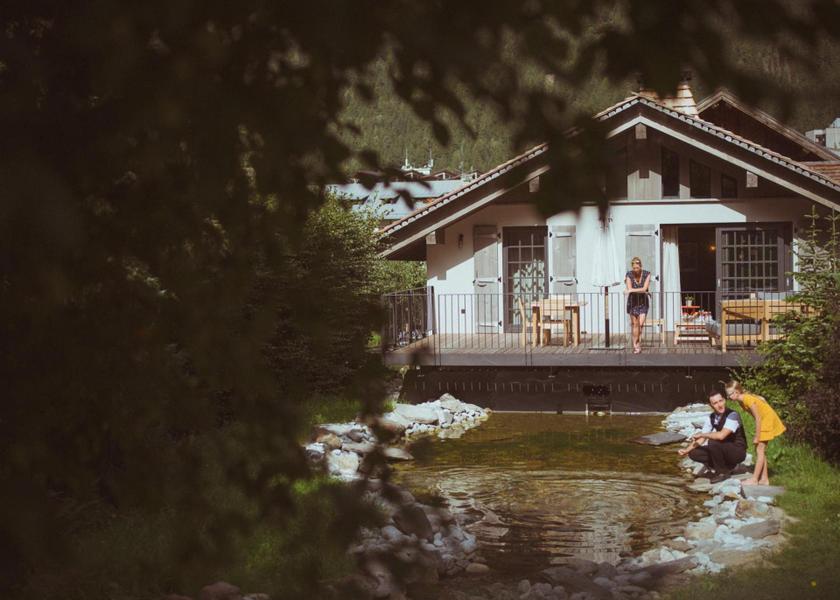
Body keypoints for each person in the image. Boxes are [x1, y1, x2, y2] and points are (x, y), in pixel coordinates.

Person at [725, 380, 786, 486]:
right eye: (728, 395)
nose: (729, 397)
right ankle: (764, 479)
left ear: (737, 392)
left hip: (766, 420)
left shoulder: (747, 399)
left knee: (759, 450)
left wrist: (757, 436)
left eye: (730, 394)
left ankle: (754, 479)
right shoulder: (741, 401)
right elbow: (759, 406)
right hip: (763, 420)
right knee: (759, 449)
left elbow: (758, 418)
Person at [678, 392, 747, 483]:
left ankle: (722, 473)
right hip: (723, 449)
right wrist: (686, 450)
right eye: (715, 403)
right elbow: (701, 439)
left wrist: (702, 434)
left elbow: (721, 436)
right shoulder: (711, 417)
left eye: (720, 401)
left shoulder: (733, 415)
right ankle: (727, 467)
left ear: (724, 400)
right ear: (711, 405)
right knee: (694, 453)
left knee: (713, 442)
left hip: (737, 451)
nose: (719, 405)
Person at [624, 257, 651, 354]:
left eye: (637, 268)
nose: (635, 270)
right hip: (633, 302)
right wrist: (632, 290)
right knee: (635, 324)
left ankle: (636, 342)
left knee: (641, 324)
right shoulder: (629, 274)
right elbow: (630, 287)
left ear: (641, 266)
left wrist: (631, 290)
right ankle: (636, 346)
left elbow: (644, 289)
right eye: (634, 268)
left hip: (643, 302)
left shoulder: (647, 274)